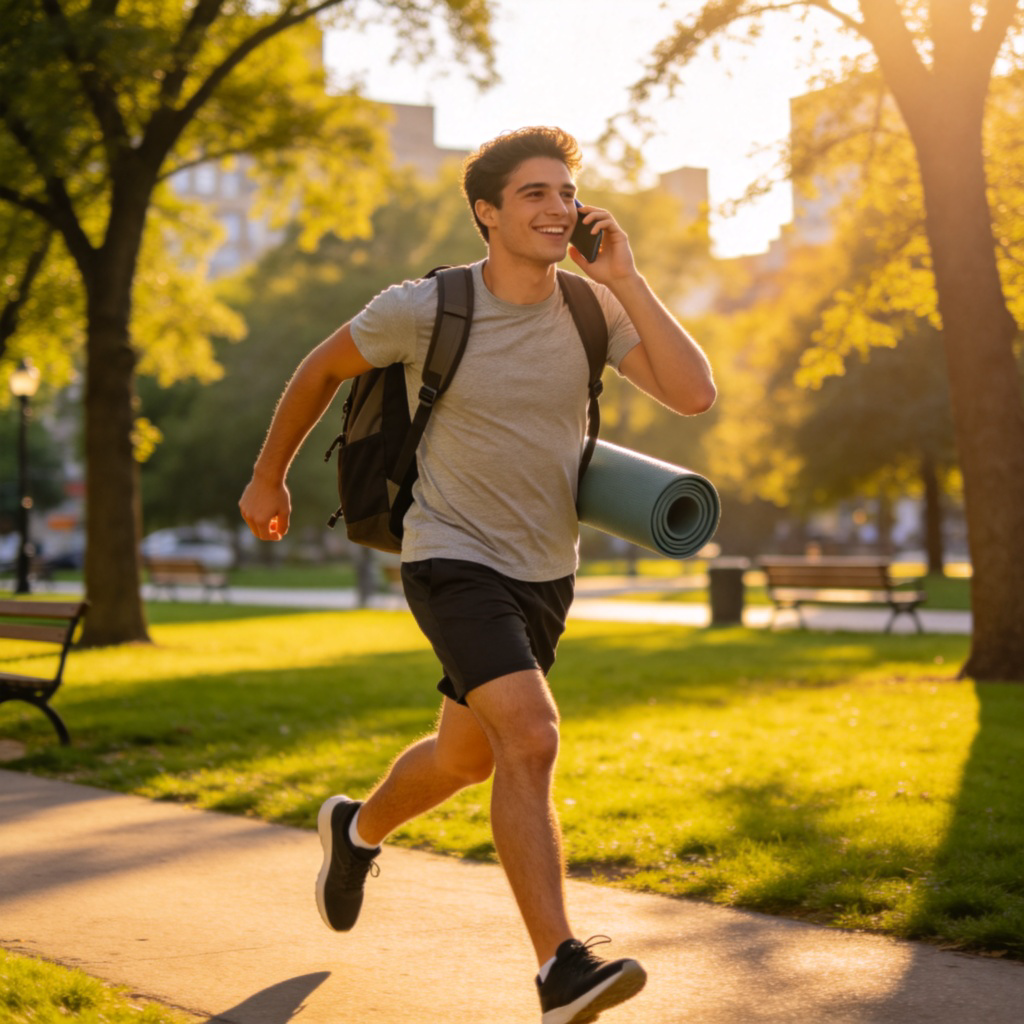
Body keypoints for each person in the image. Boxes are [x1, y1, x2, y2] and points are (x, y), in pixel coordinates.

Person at [239, 126, 715, 1024]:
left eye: (566, 193)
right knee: (530, 737)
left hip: (546, 568)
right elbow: (318, 369)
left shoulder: (590, 310)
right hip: (450, 553)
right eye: (534, 193)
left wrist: (627, 281)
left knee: (466, 758)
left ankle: (357, 828)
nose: (557, 207)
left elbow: (693, 394)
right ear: (487, 212)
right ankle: (560, 969)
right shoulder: (426, 307)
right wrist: (268, 475)